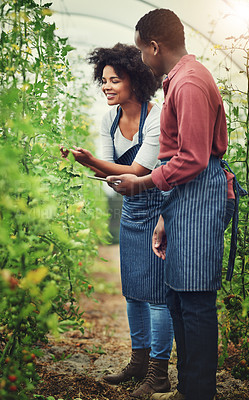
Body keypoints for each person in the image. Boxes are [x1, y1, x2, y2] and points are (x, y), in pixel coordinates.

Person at [106, 9, 237, 400]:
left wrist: (143, 181)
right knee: (179, 295)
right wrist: (165, 214)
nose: (141, 59)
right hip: (183, 198)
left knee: (195, 299)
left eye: (140, 50)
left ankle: (198, 392)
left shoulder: (190, 83)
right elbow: (180, 156)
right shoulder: (178, 80)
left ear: (154, 46)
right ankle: (187, 388)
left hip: (201, 194)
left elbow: (193, 158)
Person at [61, 43, 174, 398]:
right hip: (131, 210)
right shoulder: (108, 119)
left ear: (136, 80)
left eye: (115, 79)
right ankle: (138, 363)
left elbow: (139, 171)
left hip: (157, 210)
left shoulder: (157, 117)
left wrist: (93, 162)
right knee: (132, 294)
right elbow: (116, 176)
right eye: (104, 79)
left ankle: (158, 373)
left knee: (157, 295)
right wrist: (95, 163)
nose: (107, 86)